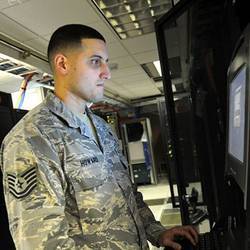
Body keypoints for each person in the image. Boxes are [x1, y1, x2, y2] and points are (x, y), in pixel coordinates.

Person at [0, 24, 198, 250]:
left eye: (105, 61)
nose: (107, 72)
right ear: (63, 64)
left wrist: (157, 232)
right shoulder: (33, 138)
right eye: (95, 61)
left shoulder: (102, 129)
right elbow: (40, 243)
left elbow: (127, 195)